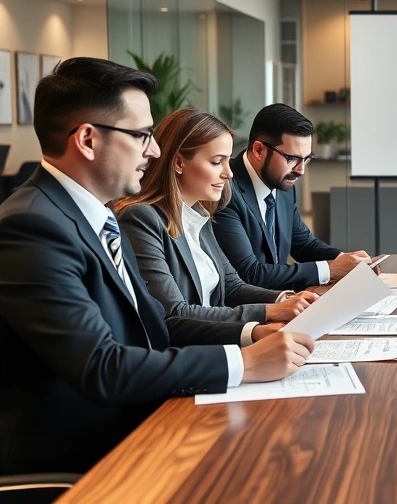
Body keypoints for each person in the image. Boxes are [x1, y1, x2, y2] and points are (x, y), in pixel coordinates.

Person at [0, 57, 313, 474]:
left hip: (146, 418)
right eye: (141, 134)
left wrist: (252, 335)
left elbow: (160, 325)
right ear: (88, 140)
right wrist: (245, 362)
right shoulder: (32, 226)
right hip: (88, 454)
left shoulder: (99, 216)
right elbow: (102, 367)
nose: (154, 150)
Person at [116, 108, 320, 324]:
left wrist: (286, 299)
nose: (229, 173)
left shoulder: (199, 216)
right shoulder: (142, 218)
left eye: (227, 160)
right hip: (191, 352)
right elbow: (174, 313)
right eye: (216, 162)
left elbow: (232, 286)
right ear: (178, 163)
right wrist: (268, 314)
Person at [213, 104, 372, 292]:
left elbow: (303, 244)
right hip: (248, 312)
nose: (301, 170)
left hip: (284, 302)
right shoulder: (224, 189)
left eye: (306, 159)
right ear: (258, 151)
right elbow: (249, 273)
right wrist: (330, 269)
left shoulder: (283, 184)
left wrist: (346, 261)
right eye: (292, 158)